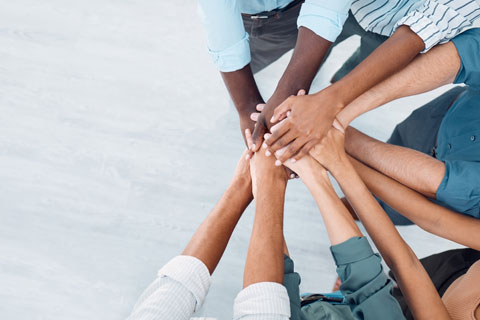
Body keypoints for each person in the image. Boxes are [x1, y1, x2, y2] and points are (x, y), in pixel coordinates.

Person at [198, 0, 480, 156]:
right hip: (340, 9)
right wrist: (247, 103)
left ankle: (333, 85)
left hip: (394, 31)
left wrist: (331, 99)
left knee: (359, 72)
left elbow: (425, 27)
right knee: (276, 60)